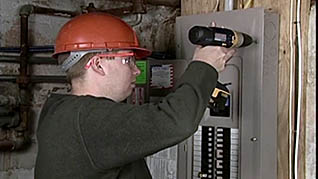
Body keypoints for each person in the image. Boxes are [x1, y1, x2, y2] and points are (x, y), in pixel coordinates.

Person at [35, 12, 235, 179]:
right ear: (98, 64)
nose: (137, 70)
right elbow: (176, 121)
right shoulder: (89, 119)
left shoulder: (57, 110)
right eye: (128, 60)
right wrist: (205, 65)